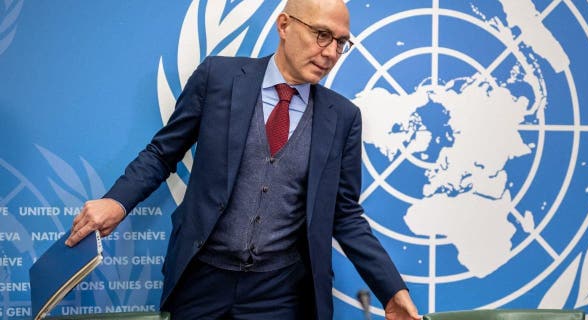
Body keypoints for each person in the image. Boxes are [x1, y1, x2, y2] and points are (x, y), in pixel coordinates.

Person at [65, 0, 421, 319]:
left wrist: (392, 290)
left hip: (280, 293)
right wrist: (117, 200)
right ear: (284, 26)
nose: (330, 52)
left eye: (341, 42)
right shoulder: (217, 78)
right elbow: (162, 153)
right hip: (200, 278)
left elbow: (344, 214)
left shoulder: (342, 117)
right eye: (322, 35)